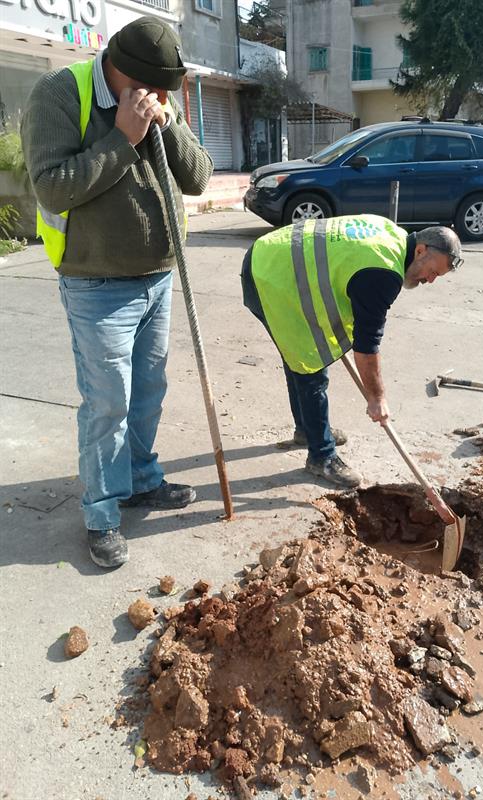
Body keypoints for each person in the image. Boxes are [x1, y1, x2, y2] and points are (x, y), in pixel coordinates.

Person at [21, 16, 214, 569]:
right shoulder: (60, 95)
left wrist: (168, 123)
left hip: (158, 276)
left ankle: (140, 481)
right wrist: (123, 139)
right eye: (151, 87)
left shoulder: (158, 99)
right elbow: (53, 187)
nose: (156, 98)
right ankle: (102, 513)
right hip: (96, 283)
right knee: (108, 404)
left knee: (149, 391)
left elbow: (197, 178)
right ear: (120, 70)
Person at [242, 215, 462, 488]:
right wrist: (376, 397)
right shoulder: (383, 272)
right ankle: (321, 456)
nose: (430, 280)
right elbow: (367, 344)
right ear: (421, 250)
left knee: (302, 357)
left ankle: (307, 430)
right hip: (269, 275)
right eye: (433, 272)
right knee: (308, 361)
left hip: (273, 256)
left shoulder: (391, 234)